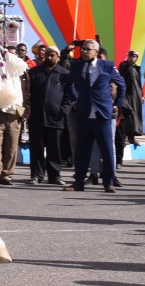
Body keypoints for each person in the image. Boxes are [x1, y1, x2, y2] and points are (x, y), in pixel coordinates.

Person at [63, 39, 124, 193]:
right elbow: (69, 84)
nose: (84, 51)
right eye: (83, 49)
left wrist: (117, 103)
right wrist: (75, 99)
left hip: (102, 114)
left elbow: (121, 85)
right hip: (84, 113)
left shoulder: (107, 66)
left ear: (96, 52)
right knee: (82, 149)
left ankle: (109, 182)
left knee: (107, 150)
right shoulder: (76, 66)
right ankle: (78, 182)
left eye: (88, 49)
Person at [25, 46, 70, 184]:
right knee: (36, 148)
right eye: (47, 55)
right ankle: (36, 175)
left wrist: (63, 111)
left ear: (58, 57)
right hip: (36, 117)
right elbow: (27, 94)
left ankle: (54, 176)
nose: (49, 58)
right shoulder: (34, 72)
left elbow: (69, 97)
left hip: (56, 118)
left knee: (54, 149)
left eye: (52, 55)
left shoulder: (65, 74)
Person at [116, 50, 144, 167]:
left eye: (135, 57)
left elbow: (138, 81)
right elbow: (122, 74)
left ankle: (132, 136)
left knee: (135, 116)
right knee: (128, 116)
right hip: (127, 96)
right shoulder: (124, 65)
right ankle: (127, 137)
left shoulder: (136, 68)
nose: (133, 59)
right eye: (132, 56)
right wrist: (128, 61)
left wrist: (141, 94)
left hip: (136, 95)